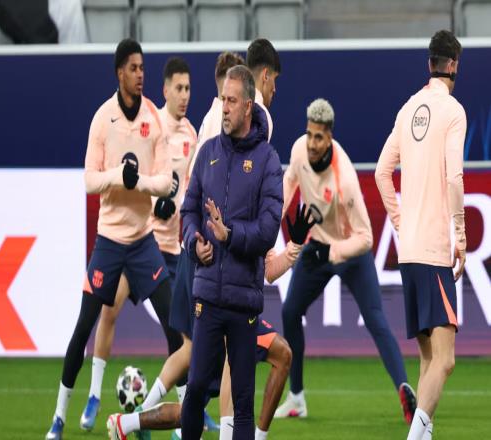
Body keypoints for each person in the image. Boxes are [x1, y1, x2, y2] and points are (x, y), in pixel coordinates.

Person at [45, 38, 177, 440]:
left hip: (143, 242)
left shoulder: (154, 119)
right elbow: (89, 180)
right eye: (134, 68)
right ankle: (59, 417)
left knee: (175, 326)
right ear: (120, 72)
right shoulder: (103, 119)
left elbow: (166, 182)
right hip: (108, 242)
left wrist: (140, 185)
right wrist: (120, 176)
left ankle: (186, 416)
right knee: (83, 327)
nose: (140, 75)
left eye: (143, 68)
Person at [105, 204, 314, 440]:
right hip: (212, 279)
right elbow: (197, 207)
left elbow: (268, 269)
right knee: (228, 357)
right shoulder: (232, 192)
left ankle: (128, 422)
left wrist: (294, 246)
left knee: (201, 370)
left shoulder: (260, 205)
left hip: (230, 287)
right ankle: (143, 422)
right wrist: (197, 245)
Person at [275, 98, 417, 425]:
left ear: (330, 138)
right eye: (309, 134)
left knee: (375, 319)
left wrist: (333, 252)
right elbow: (288, 185)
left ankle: (405, 390)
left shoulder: (346, 180)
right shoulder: (298, 151)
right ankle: (296, 397)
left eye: (319, 137)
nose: (312, 143)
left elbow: (366, 237)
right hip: (316, 247)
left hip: (351, 253)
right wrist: (270, 224)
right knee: (289, 311)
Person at [79, 56, 196, 433]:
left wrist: (175, 203)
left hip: (174, 247)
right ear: (166, 91)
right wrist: (152, 198)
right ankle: (94, 395)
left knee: (178, 332)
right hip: (143, 240)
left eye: (189, 89)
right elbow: (140, 176)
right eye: (179, 88)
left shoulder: (192, 135)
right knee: (109, 310)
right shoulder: (151, 122)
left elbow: (186, 186)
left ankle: (183, 409)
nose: (184, 95)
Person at [181, 64, 283, 440]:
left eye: (232, 101)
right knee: (195, 390)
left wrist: (231, 234)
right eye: (223, 99)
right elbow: (188, 212)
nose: (224, 107)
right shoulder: (208, 152)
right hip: (207, 295)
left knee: (242, 403)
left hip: (244, 302)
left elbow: (268, 230)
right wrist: (194, 242)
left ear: (249, 106)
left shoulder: (268, 160)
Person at [375, 30, 466, 440]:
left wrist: (399, 222)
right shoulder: (453, 111)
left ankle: (424, 434)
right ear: (454, 65)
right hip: (432, 249)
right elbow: (455, 178)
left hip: (408, 250)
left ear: (430, 64)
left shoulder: (408, 107)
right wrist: (460, 233)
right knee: (445, 361)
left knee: (428, 359)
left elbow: (382, 173)